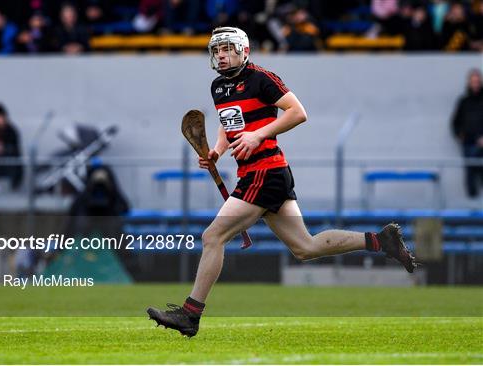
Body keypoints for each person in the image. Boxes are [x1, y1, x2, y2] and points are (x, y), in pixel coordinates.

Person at [147, 27, 417, 337]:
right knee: (305, 247)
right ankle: (381, 240)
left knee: (213, 237)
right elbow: (229, 123)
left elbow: (298, 113)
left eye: (227, 49)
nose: (220, 55)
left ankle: (190, 314)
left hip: (266, 171)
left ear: (243, 51)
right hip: (259, 174)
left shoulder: (262, 78)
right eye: (216, 50)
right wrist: (217, 151)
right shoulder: (219, 87)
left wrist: (259, 134)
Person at [451, 69, 483, 199]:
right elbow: (455, 122)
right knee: (470, 172)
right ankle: (472, 209)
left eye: (477, 81)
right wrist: (459, 134)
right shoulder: (463, 101)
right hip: (468, 143)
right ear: (469, 83)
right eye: (473, 81)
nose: (475, 84)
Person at [0, 103, 23, 189]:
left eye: (1, 118)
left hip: (9, 165)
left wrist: (4, 149)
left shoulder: (11, 131)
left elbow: (15, 150)